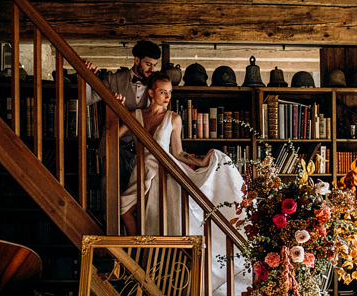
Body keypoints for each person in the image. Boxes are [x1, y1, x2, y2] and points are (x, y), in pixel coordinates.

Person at [117, 72, 247, 295]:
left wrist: (200, 161)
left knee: (164, 221)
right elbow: (113, 136)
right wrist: (116, 112)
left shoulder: (173, 118)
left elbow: (177, 152)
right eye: (162, 92)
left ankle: (155, 268)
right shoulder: (136, 115)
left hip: (166, 172)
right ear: (151, 93)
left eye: (169, 92)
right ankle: (138, 254)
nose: (167, 96)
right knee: (124, 208)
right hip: (140, 171)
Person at [84, 40, 160, 194]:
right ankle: (107, 218)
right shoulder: (113, 80)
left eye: (154, 65)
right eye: (148, 64)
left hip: (142, 148)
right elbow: (88, 100)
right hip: (114, 144)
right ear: (136, 60)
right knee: (110, 188)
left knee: (140, 193)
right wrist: (86, 78)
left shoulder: (156, 84)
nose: (152, 69)